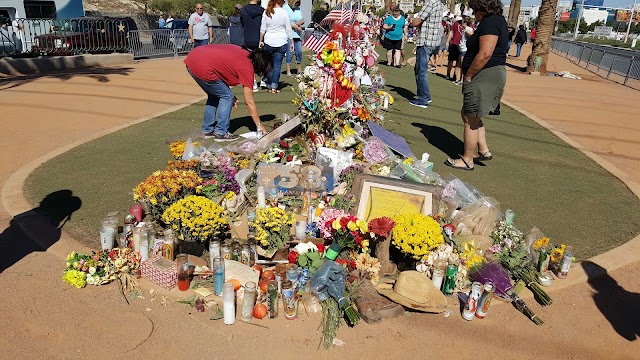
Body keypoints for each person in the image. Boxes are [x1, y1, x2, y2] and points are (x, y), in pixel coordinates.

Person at [444, 0, 508, 171]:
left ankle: (467, 160)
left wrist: (470, 75)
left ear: (483, 8)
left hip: (484, 75)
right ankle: (483, 150)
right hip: (488, 74)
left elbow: (485, 53)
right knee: (469, 114)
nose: (474, 14)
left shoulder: (491, 22)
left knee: (470, 118)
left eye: (475, 10)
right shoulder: (494, 21)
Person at [184, 44, 272, 141]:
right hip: (202, 66)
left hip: (193, 59)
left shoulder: (245, 53)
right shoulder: (247, 67)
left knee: (214, 95)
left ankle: (207, 130)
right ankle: (221, 133)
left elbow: (222, 68)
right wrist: (259, 125)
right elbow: (249, 102)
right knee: (227, 97)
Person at [409, 0, 444, 109]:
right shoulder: (439, 3)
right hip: (433, 41)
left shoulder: (430, 3)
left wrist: (412, 21)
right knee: (419, 69)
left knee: (421, 71)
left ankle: (423, 99)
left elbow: (416, 22)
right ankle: (426, 96)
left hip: (425, 41)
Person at [259, 0, 294, 94]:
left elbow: (263, 28)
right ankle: (274, 86)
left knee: (269, 65)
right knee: (277, 66)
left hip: (268, 40)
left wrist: (261, 40)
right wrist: (291, 41)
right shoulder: (284, 12)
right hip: (281, 41)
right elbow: (288, 28)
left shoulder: (267, 11)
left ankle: (269, 85)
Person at [241, 0, 266, 90]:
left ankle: (253, 82)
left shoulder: (243, 10)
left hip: (247, 38)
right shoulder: (262, 11)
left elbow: (242, 23)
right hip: (259, 39)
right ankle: (263, 78)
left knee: (250, 62)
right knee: (261, 59)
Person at [284, 0, 304, 76]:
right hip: (289, 34)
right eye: (296, 3)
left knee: (299, 52)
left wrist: (298, 23)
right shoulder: (285, 8)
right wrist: (295, 26)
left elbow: (302, 20)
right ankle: (288, 70)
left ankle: (299, 68)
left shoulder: (298, 9)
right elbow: (286, 22)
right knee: (290, 52)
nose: (297, 5)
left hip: (297, 34)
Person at [454, 17, 474, 85]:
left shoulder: (468, 29)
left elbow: (473, 36)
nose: (461, 23)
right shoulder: (465, 29)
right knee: (460, 65)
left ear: (465, 23)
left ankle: (462, 81)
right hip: (461, 49)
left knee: (463, 66)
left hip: (464, 49)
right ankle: (460, 79)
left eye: (462, 22)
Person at [446, 15, 464, 81]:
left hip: (462, 45)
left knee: (458, 62)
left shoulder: (467, 25)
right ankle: (448, 74)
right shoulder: (456, 24)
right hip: (454, 43)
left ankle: (455, 75)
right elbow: (451, 32)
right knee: (451, 60)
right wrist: (448, 41)